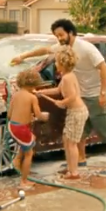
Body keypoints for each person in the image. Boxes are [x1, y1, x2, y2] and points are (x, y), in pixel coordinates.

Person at [10, 19, 106, 177]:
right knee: (81, 132)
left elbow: (104, 67)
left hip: (98, 94)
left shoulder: (86, 48)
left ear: (71, 32)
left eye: (61, 34)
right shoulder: (63, 49)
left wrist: (103, 93)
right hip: (81, 96)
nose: (60, 38)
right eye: (57, 36)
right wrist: (23, 56)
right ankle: (80, 159)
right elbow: (44, 50)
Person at [39, 47, 89, 180]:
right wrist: (40, 92)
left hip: (76, 112)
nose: (55, 64)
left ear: (62, 64)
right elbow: (57, 90)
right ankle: (70, 167)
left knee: (71, 142)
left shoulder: (67, 78)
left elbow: (72, 96)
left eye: (56, 62)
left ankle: (74, 173)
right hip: (75, 111)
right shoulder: (67, 76)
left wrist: (62, 103)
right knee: (67, 140)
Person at [7, 68, 49, 190]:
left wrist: (25, 116)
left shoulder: (15, 95)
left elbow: (10, 114)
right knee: (29, 153)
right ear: (34, 84)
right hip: (21, 129)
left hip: (12, 126)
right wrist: (44, 117)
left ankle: (17, 160)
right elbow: (38, 115)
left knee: (31, 139)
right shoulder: (32, 98)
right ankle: (24, 181)